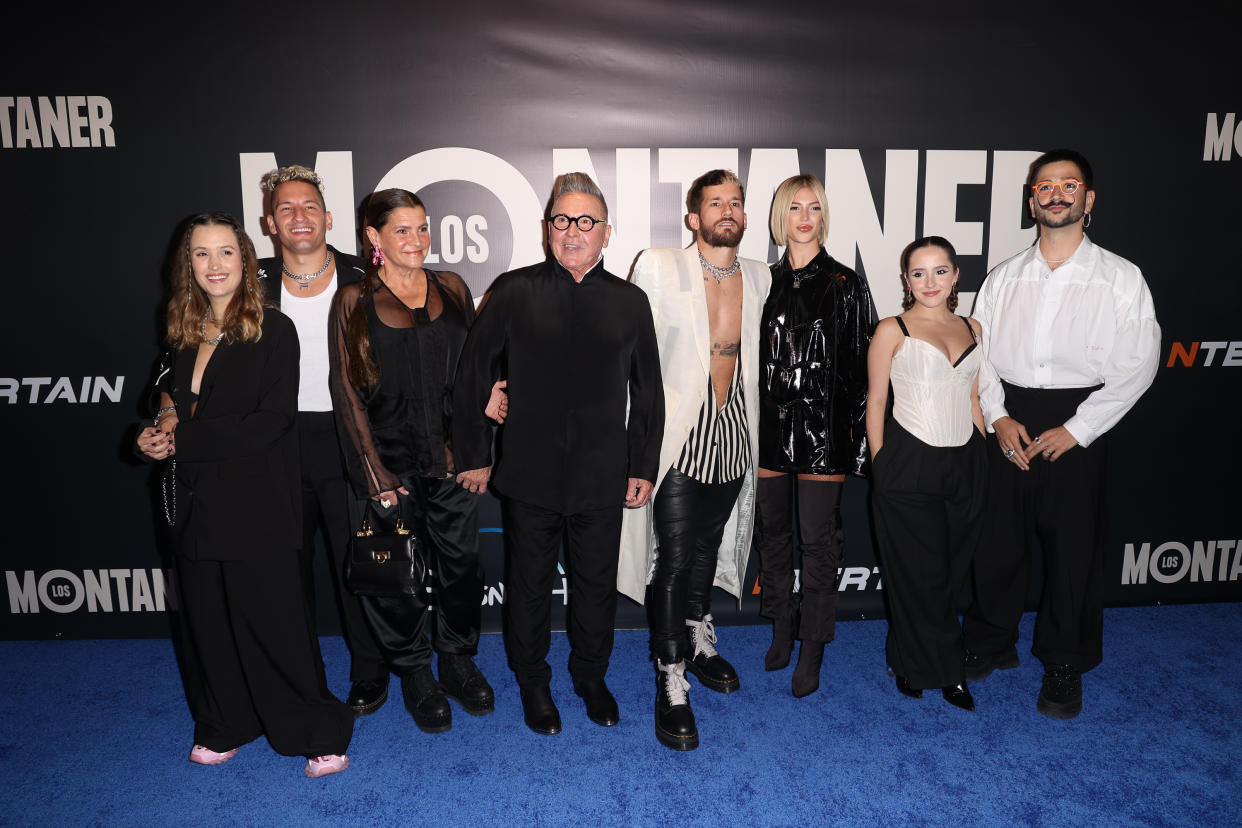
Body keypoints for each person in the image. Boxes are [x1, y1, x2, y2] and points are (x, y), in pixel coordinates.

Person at [136, 212, 353, 778]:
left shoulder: (274, 329)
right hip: (195, 503)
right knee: (207, 623)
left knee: (275, 623)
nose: (214, 265)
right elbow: (171, 399)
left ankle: (316, 730)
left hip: (258, 502)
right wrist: (158, 431)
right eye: (202, 254)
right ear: (188, 265)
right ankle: (225, 722)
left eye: (225, 252)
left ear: (246, 259)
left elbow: (272, 422)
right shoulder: (182, 330)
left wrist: (184, 437)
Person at [453, 172, 663, 737]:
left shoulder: (630, 301)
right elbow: (474, 369)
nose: (574, 231)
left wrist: (643, 466)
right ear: (548, 229)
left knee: (595, 583)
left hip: (602, 471)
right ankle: (533, 681)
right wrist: (474, 449)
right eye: (563, 221)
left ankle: (591, 676)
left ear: (606, 233)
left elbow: (648, 392)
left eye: (586, 221)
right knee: (527, 582)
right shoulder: (515, 290)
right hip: (529, 470)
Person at [963, 149, 1160, 719]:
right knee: (996, 543)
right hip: (1011, 415)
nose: (1055, 194)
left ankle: (1064, 662)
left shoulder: (1121, 278)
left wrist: (1078, 429)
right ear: (1032, 201)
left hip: (1082, 421)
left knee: (1074, 552)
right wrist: (998, 417)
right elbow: (982, 356)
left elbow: (1139, 364)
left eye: (1068, 185)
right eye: (1044, 186)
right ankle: (990, 641)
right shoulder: (1004, 277)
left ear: (1088, 200)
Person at [328, 189, 500, 734]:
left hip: (452, 463)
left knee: (461, 570)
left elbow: (476, 373)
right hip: (391, 468)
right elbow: (347, 390)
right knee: (395, 579)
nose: (417, 241)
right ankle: (415, 672)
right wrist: (374, 474)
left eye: (422, 228)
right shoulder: (353, 299)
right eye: (402, 230)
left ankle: (456, 659)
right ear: (373, 238)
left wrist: (478, 449)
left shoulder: (451, 286)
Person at [620, 169, 771, 751]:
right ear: (694, 217)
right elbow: (633, 351)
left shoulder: (758, 275)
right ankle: (671, 673)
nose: (726, 210)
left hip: (736, 428)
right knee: (675, 558)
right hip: (679, 434)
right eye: (715, 203)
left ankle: (698, 634)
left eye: (735, 202)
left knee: (707, 545)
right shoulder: (660, 265)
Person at [254, 165, 388, 717]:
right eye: (286, 208)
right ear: (269, 223)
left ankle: (369, 672)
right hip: (273, 443)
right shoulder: (249, 282)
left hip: (345, 436)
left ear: (329, 218)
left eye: (309, 206)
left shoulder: (365, 277)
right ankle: (295, 676)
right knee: (284, 569)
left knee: (355, 566)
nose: (299, 216)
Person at [754, 173, 873, 698]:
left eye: (814, 208)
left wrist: (855, 443)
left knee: (819, 544)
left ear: (824, 216)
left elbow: (863, 369)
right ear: (781, 217)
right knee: (774, 536)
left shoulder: (845, 283)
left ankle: (813, 645)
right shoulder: (762, 280)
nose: (804, 217)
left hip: (825, 434)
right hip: (770, 430)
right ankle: (782, 625)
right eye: (794, 207)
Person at [866, 236, 986, 711]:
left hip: (968, 463)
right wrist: (881, 464)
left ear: (956, 275)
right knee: (919, 575)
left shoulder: (974, 326)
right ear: (906, 280)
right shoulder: (891, 329)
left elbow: (974, 396)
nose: (930, 282)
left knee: (951, 572)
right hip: (907, 462)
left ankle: (906, 655)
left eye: (940, 271)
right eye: (919, 273)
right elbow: (876, 401)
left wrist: (983, 456)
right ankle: (944, 671)